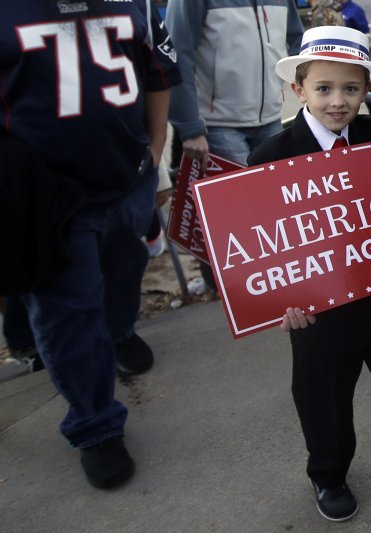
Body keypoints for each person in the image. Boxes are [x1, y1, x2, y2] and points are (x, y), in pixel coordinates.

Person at [248, 25, 371, 523]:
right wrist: (281, 301)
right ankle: (328, 473)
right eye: (323, 88)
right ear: (299, 89)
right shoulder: (270, 157)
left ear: (366, 90)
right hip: (319, 311)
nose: (338, 101)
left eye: (352, 89)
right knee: (324, 400)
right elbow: (262, 245)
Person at [0, 0, 181, 489]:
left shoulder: (133, 2)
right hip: (49, 198)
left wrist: (156, 150)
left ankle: (119, 331)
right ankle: (95, 423)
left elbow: (158, 74)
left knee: (124, 269)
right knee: (69, 311)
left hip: (127, 177)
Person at [166, 0, 303, 292]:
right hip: (217, 121)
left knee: (272, 205)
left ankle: (268, 281)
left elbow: (295, 38)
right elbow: (177, 54)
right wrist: (189, 127)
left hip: (269, 115)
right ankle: (239, 287)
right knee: (239, 210)